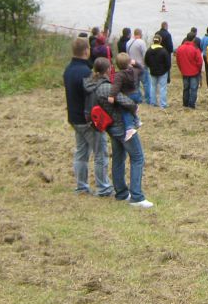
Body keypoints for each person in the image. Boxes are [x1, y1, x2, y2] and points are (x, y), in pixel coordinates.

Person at [84, 57, 153, 208]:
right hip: (121, 125)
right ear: (108, 69)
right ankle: (137, 196)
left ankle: (121, 193)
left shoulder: (92, 85)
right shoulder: (107, 88)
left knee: (118, 158)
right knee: (137, 158)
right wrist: (134, 107)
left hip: (110, 127)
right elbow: (126, 102)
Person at [63, 37, 112, 196]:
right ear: (86, 51)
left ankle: (81, 186)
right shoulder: (86, 73)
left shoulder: (68, 70)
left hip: (74, 117)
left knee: (81, 153)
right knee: (100, 153)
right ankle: (103, 187)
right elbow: (92, 95)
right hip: (89, 120)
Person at [110, 52, 142, 140]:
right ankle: (137, 120)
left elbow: (116, 86)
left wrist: (112, 96)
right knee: (132, 108)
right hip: (136, 94)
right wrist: (136, 63)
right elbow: (141, 68)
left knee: (125, 111)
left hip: (127, 95)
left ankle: (129, 128)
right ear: (129, 62)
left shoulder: (119, 75)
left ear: (117, 64)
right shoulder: (134, 71)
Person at [175, 33, 203, 108]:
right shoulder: (195, 48)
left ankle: (185, 103)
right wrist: (199, 70)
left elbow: (177, 61)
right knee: (193, 89)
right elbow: (199, 61)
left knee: (186, 88)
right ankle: (191, 104)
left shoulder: (180, 48)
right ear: (194, 39)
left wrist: (181, 69)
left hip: (184, 71)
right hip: (194, 72)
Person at [126, 28, 152, 104]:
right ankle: (148, 100)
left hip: (131, 66)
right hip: (141, 66)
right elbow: (145, 55)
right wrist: (147, 64)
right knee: (146, 83)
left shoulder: (128, 43)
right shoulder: (141, 42)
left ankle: (138, 99)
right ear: (140, 34)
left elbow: (127, 55)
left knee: (136, 84)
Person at [145, 33, 171, 108]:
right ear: (160, 41)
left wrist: (151, 67)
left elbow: (146, 61)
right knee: (163, 88)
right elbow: (168, 63)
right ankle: (163, 104)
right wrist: (165, 70)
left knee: (153, 87)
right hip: (163, 72)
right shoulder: (163, 51)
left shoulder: (149, 50)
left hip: (153, 71)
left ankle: (153, 103)